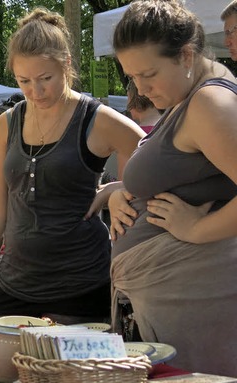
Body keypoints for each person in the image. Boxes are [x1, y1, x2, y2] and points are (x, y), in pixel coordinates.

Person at [0, 8, 144, 324]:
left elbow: (159, 158)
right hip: (14, 285)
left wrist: (117, 188)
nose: (35, 91)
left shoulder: (96, 119)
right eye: (24, 81)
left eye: (45, 78)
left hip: (82, 287)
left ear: (67, 65)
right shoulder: (8, 123)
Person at [108, 0, 237, 376]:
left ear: (184, 55)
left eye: (148, 73)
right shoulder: (190, 95)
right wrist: (117, 192)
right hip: (173, 302)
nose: (141, 89)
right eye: (131, 76)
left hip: (196, 306)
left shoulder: (212, 101)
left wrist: (196, 228)